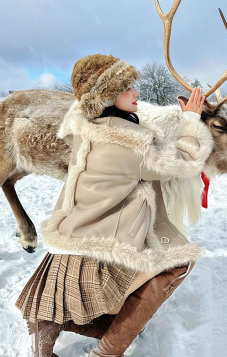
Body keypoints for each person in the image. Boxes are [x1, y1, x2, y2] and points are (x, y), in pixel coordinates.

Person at [15, 53, 213, 357]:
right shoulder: (127, 141)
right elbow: (183, 162)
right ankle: (107, 351)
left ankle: (43, 337)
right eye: (127, 88)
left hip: (71, 232)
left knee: (61, 299)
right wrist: (190, 121)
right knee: (178, 264)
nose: (136, 93)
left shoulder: (85, 126)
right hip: (100, 239)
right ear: (106, 96)